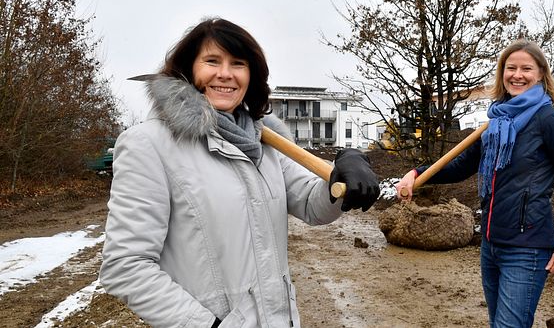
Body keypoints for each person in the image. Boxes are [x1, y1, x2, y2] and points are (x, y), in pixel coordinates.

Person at [100, 18, 380, 328]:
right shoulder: (150, 145)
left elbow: (313, 206)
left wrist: (343, 173)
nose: (225, 74)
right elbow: (126, 266)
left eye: (238, 63)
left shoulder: (266, 142)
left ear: (251, 75)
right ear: (189, 69)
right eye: (211, 61)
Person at [395, 39, 554, 328]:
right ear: (502, 73)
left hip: (526, 249)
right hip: (491, 245)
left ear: (541, 74)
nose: (517, 75)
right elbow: (462, 166)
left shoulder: (549, 121)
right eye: (510, 68)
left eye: (526, 68)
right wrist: (418, 173)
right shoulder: (496, 121)